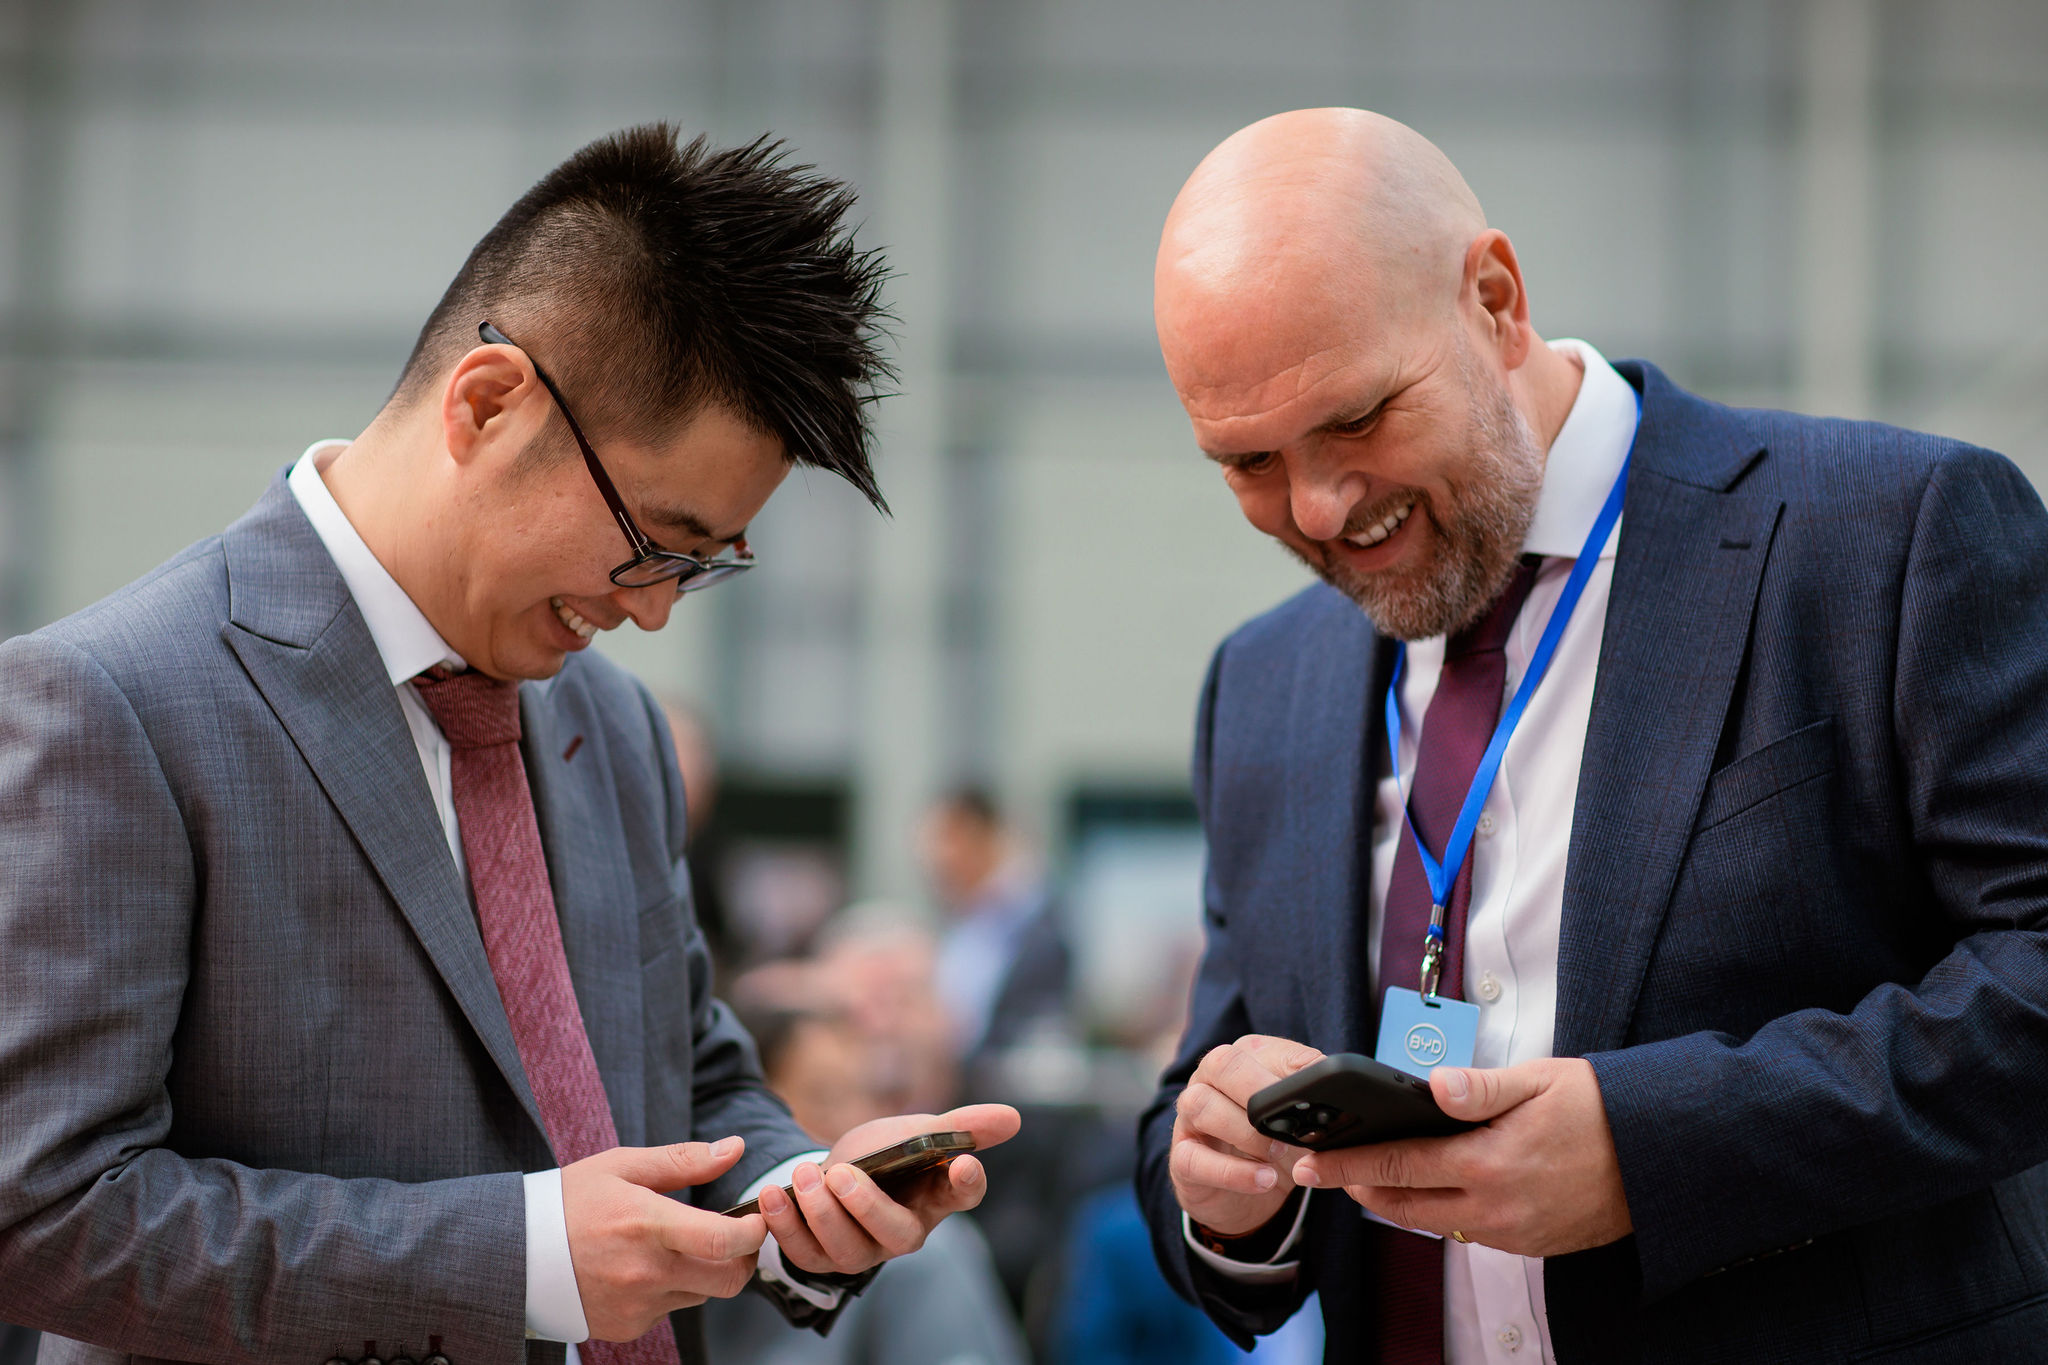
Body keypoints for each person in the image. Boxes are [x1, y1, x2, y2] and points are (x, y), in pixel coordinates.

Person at [0, 125, 1017, 1365]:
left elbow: (688, 1074)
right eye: (652, 539)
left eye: (702, 568)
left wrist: (795, 1196)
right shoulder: (113, 705)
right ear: (487, 405)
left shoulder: (614, 727)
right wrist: (521, 1259)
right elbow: (43, 1214)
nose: (648, 609)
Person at [1135, 108, 2048, 1363]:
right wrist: (1220, 1193)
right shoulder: (1262, 683)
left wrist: (1655, 1148)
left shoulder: (1884, 537)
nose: (1317, 506)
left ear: (1494, 300)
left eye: (1355, 418)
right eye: (1244, 462)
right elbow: (1202, 1086)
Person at [703, 1004, 1028, 1365]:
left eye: (863, 1093)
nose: (851, 1119)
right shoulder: (683, 1238)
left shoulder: (929, 1253)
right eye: (823, 1097)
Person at [920, 787, 1073, 1070]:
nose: (933, 857)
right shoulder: (969, 918)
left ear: (977, 835)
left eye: (945, 839)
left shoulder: (1030, 924)